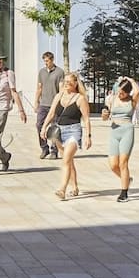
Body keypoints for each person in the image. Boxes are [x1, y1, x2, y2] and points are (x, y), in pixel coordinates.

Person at [39, 71, 91, 200]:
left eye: (69, 81)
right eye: (65, 81)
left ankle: (62, 189)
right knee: (68, 161)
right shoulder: (58, 96)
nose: (66, 84)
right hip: (59, 132)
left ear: (75, 84)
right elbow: (51, 113)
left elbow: (86, 119)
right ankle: (75, 187)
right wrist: (44, 127)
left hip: (74, 131)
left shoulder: (80, 98)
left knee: (66, 159)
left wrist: (88, 136)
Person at [105, 76, 139, 201]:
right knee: (113, 165)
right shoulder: (113, 99)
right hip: (114, 131)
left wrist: (131, 80)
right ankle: (127, 179)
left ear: (127, 93)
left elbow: (137, 91)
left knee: (123, 163)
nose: (120, 94)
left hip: (127, 131)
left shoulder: (132, 100)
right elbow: (106, 115)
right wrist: (104, 116)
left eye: (123, 93)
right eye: (119, 91)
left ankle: (124, 193)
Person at [34, 51, 64, 160]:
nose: (46, 63)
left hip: (55, 104)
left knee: (54, 127)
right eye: (44, 61)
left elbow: (61, 89)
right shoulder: (41, 72)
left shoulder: (60, 72)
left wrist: (60, 103)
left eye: (47, 61)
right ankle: (44, 148)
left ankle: (54, 150)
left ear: (52, 60)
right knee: (39, 125)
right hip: (43, 104)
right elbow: (39, 88)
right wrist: (36, 102)